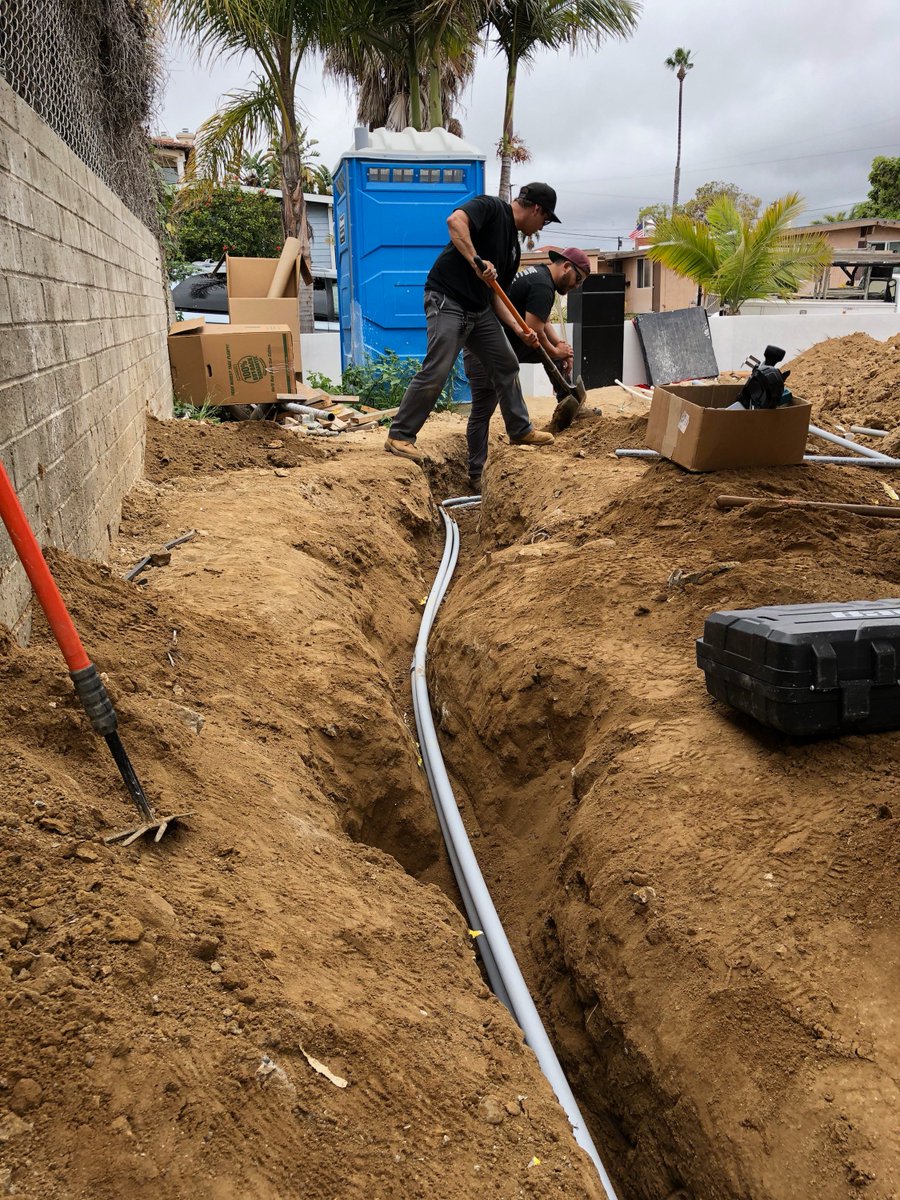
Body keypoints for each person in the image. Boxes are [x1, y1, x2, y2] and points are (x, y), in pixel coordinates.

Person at [385, 183, 562, 464]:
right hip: (448, 299)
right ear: (537, 209)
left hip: (479, 310)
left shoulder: (513, 250)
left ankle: (519, 429)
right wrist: (476, 261)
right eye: (546, 219)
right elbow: (454, 221)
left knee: (506, 363)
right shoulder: (492, 207)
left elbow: (497, 296)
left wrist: (519, 329)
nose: (543, 225)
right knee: (438, 368)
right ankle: (400, 435)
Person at [465, 246, 591, 489]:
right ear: (566, 267)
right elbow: (534, 329)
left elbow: (541, 321)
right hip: (484, 350)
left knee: (555, 355)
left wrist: (559, 345)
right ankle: (476, 474)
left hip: (508, 346)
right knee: (483, 409)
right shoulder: (543, 285)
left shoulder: (541, 277)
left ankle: (567, 401)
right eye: (578, 279)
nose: (577, 285)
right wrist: (556, 351)